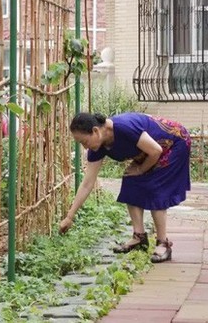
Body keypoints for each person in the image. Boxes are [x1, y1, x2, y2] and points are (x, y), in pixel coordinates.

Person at [59, 112, 192, 263]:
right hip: (151, 151)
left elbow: (155, 151)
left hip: (174, 143)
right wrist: (70, 217)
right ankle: (139, 237)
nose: (84, 146)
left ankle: (163, 243)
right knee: (131, 181)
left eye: (84, 141)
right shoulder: (98, 147)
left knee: (156, 188)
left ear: (95, 131)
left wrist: (141, 169)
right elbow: (87, 183)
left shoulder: (123, 127)